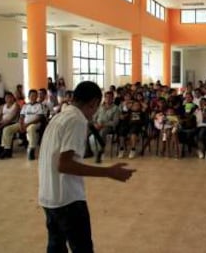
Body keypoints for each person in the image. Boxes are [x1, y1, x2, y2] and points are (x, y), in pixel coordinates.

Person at [38, 81, 136, 253]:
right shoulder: (77, 120)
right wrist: (108, 172)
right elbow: (65, 164)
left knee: (56, 247)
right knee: (82, 248)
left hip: (49, 196)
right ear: (94, 103)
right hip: (67, 200)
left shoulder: (59, 116)